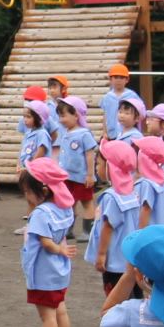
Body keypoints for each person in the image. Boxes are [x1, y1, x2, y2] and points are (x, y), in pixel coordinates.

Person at [15, 160, 78, 327]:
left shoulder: (42, 213)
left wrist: (58, 248)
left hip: (43, 272)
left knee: (47, 316)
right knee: (60, 310)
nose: (27, 197)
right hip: (59, 272)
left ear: (43, 190)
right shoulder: (65, 208)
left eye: (28, 191)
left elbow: (45, 242)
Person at [88, 141, 150, 327]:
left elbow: (108, 226)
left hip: (114, 256)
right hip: (130, 254)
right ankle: (138, 323)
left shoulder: (111, 197)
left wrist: (101, 253)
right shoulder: (132, 190)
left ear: (110, 167)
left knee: (114, 291)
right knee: (134, 289)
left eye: (98, 164)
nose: (96, 168)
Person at [55, 97, 100, 239]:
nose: (61, 120)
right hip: (67, 176)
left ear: (76, 116)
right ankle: (69, 229)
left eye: (63, 116)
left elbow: (89, 155)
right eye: (59, 116)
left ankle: (88, 230)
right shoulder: (66, 133)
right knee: (69, 202)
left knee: (86, 202)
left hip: (81, 176)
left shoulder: (84, 134)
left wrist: (90, 175)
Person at [101, 65, 145, 142]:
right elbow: (105, 115)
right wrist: (104, 132)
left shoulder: (132, 95)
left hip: (127, 132)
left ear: (127, 80)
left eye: (121, 78)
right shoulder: (107, 97)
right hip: (111, 133)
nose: (118, 80)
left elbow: (140, 112)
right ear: (110, 79)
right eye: (116, 77)